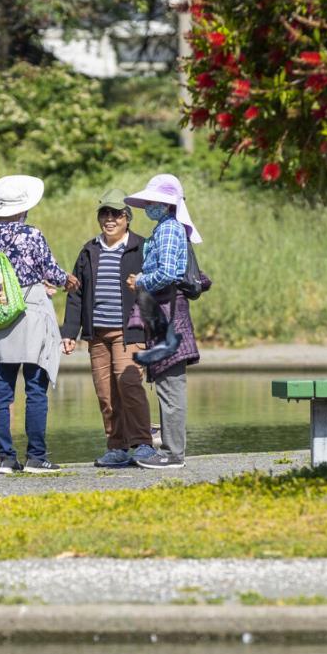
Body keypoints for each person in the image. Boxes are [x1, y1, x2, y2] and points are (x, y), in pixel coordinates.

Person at [0, 175, 78, 474]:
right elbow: (49, 269)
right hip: (30, 311)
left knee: (2, 390)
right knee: (35, 387)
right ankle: (36, 456)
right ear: (22, 207)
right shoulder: (32, 234)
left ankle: (5, 458)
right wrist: (66, 280)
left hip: (1, 313)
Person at [61, 189, 154, 469]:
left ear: (127, 218)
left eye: (116, 214)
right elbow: (76, 293)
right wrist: (69, 332)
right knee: (106, 392)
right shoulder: (90, 249)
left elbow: (156, 286)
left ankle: (143, 445)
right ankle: (117, 447)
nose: (109, 219)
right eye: (105, 213)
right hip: (97, 334)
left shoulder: (142, 247)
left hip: (131, 332)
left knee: (129, 385)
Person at [125, 173, 205, 470]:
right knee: (166, 384)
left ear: (168, 204)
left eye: (155, 202)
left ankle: (173, 454)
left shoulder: (169, 230)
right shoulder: (165, 228)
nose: (149, 206)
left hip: (169, 314)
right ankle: (172, 450)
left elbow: (170, 272)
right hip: (163, 313)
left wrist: (141, 279)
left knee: (170, 387)